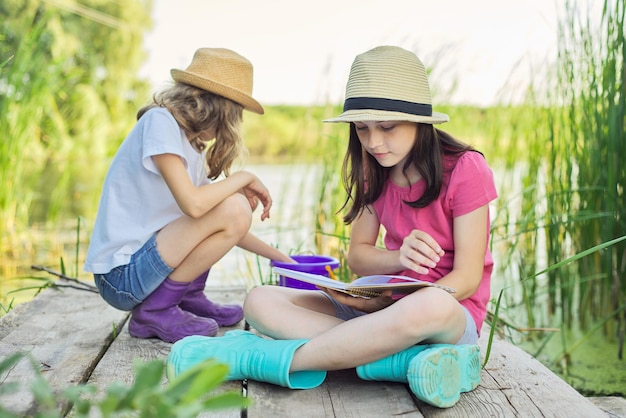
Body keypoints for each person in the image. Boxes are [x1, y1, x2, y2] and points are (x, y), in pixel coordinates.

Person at [166, 45, 498, 408]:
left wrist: (404, 303)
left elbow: (466, 279)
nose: (372, 142)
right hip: (384, 308)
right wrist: (394, 262)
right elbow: (359, 257)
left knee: (429, 305)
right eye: (362, 128)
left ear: (420, 121)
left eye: (387, 127)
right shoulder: (375, 171)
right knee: (260, 300)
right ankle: (395, 361)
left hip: (446, 315)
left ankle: (258, 360)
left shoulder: (466, 169)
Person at [84, 48, 294, 343]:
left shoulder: (191, 146)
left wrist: (283, 260)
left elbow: (224, 224)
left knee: (231, 206)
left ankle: (186, 295)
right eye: (236, 113)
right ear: (219, 107)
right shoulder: (160, 122)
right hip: (121, 277)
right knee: (233, 204)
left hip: (146, 269)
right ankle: (155, 311)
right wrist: (241, 179)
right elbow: (196, 207)